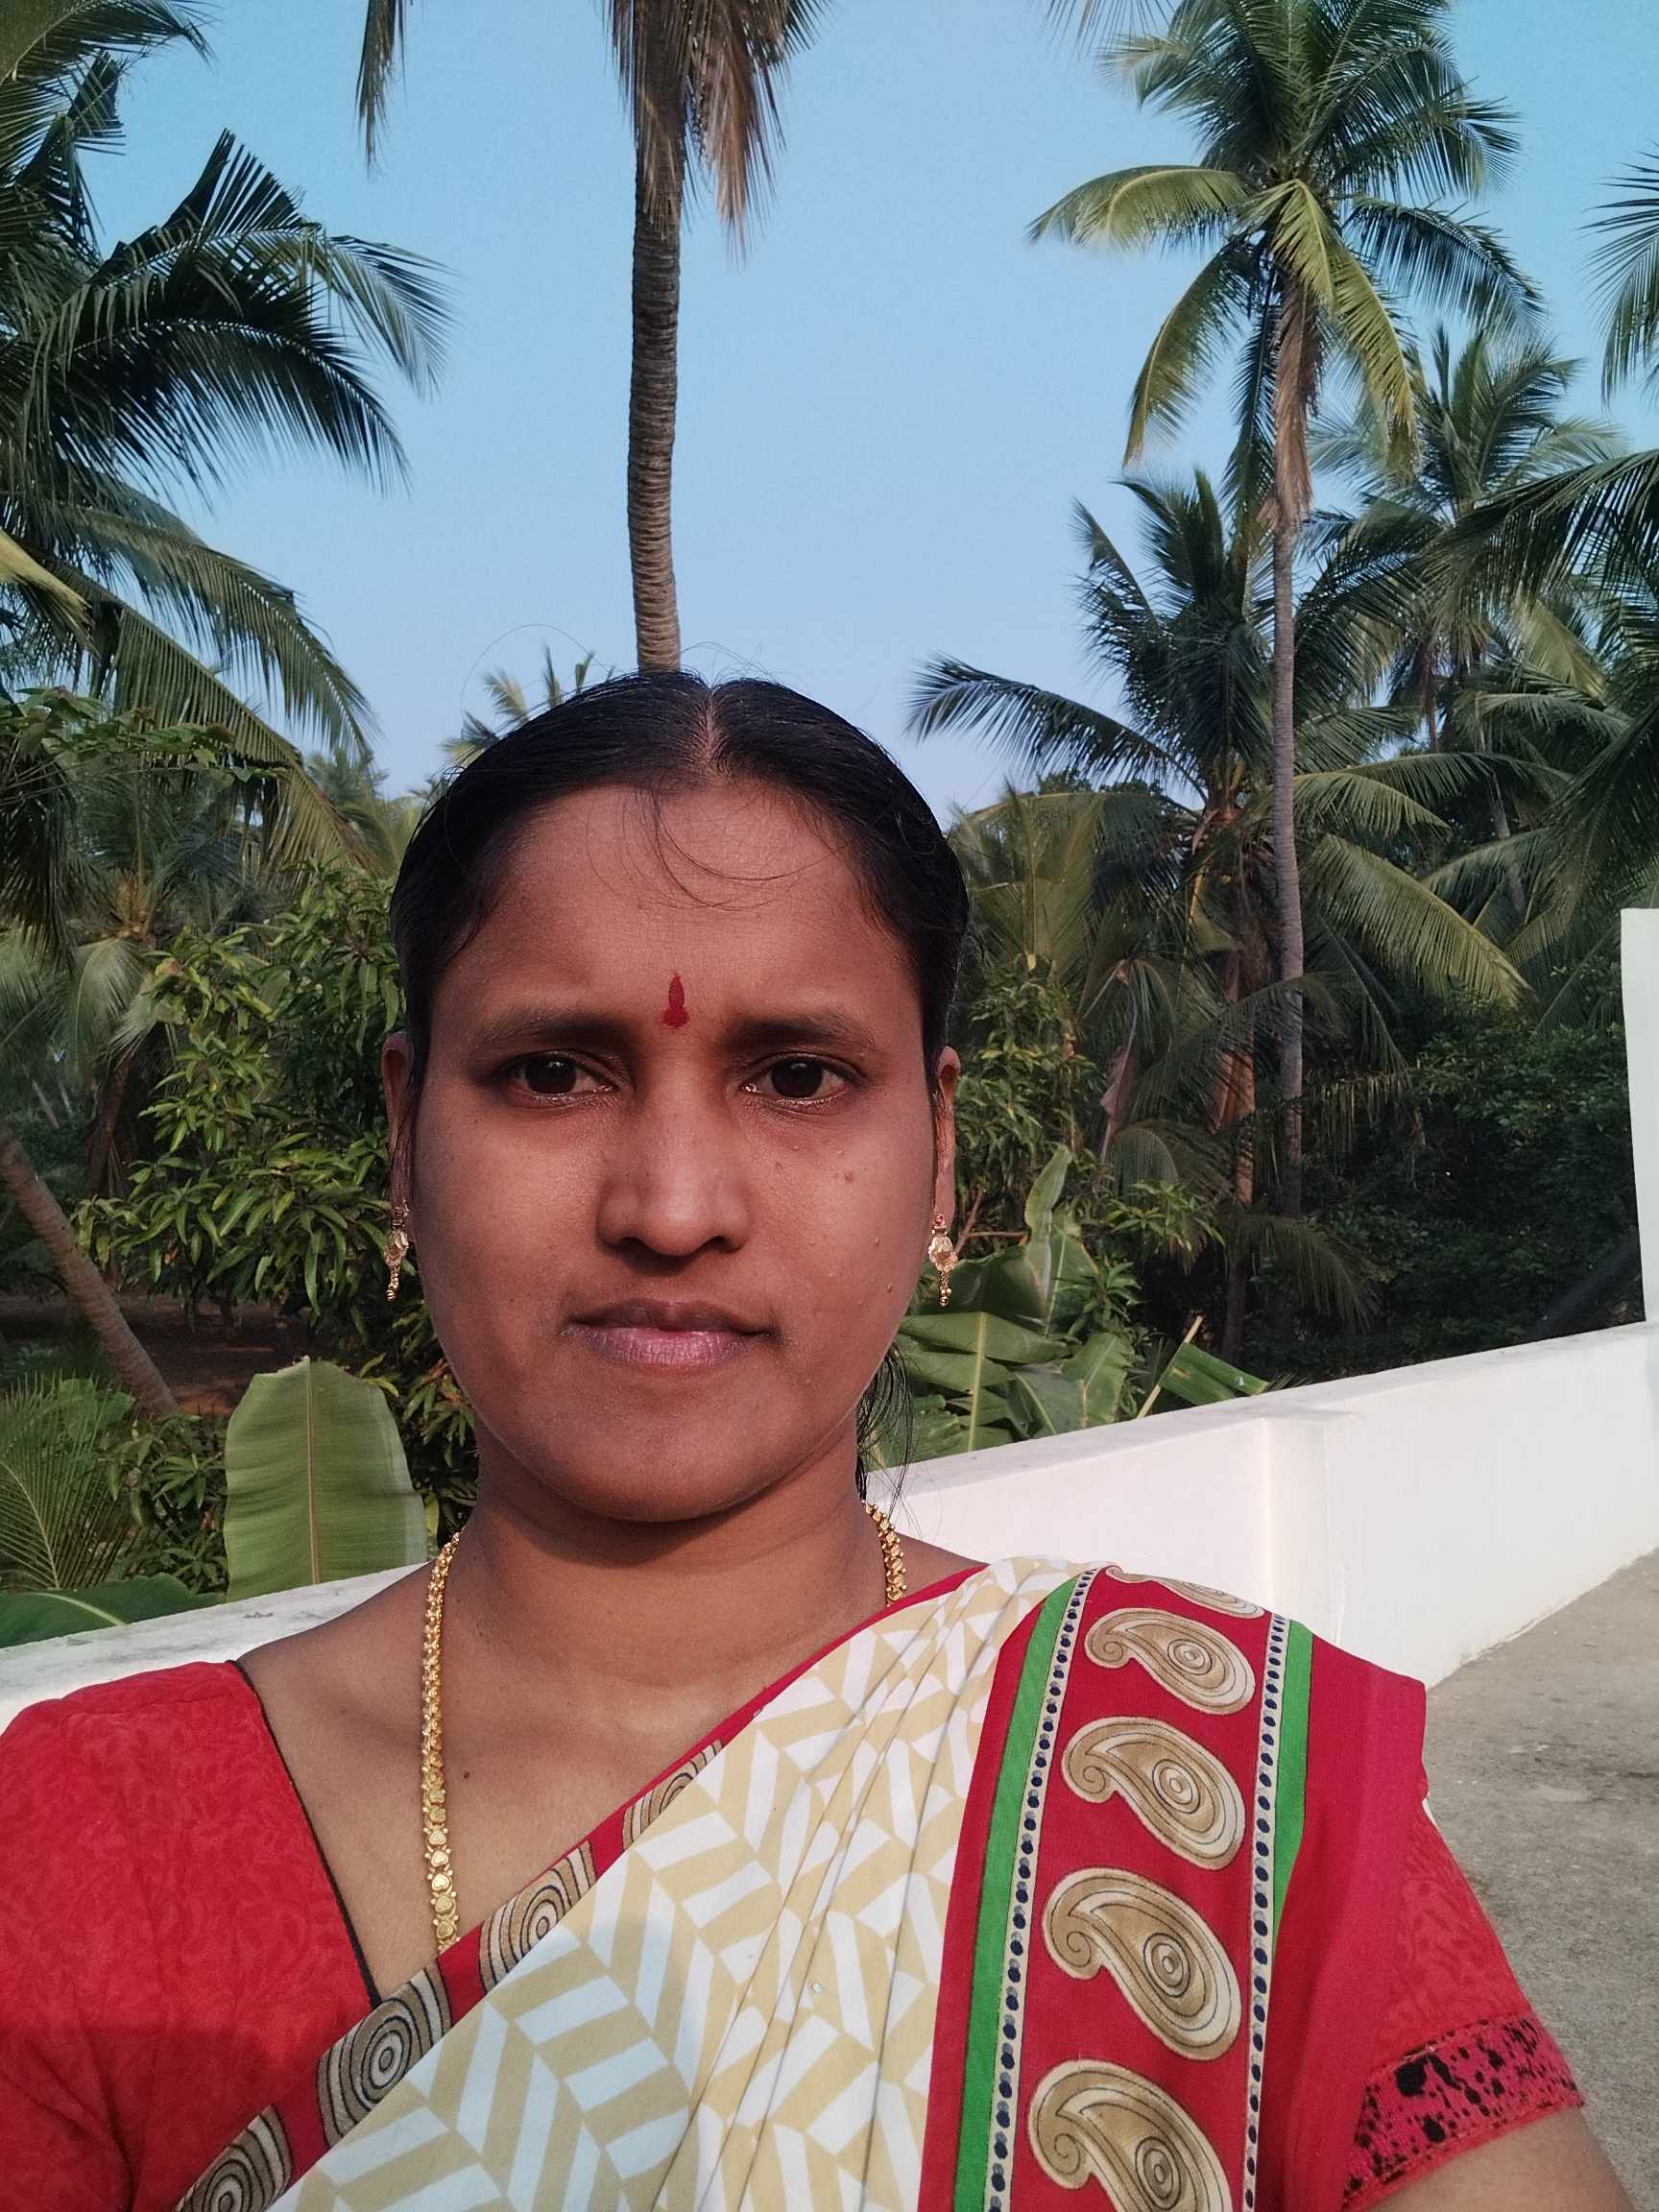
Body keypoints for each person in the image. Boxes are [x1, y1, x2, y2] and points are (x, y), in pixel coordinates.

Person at [0, 673, 1632, 2212]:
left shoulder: (1224, 1802)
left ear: (941, 1152)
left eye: (797, 1076)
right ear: (405, 1133)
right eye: (552, 1072)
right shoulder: (88, 1848)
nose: (672, 1208)